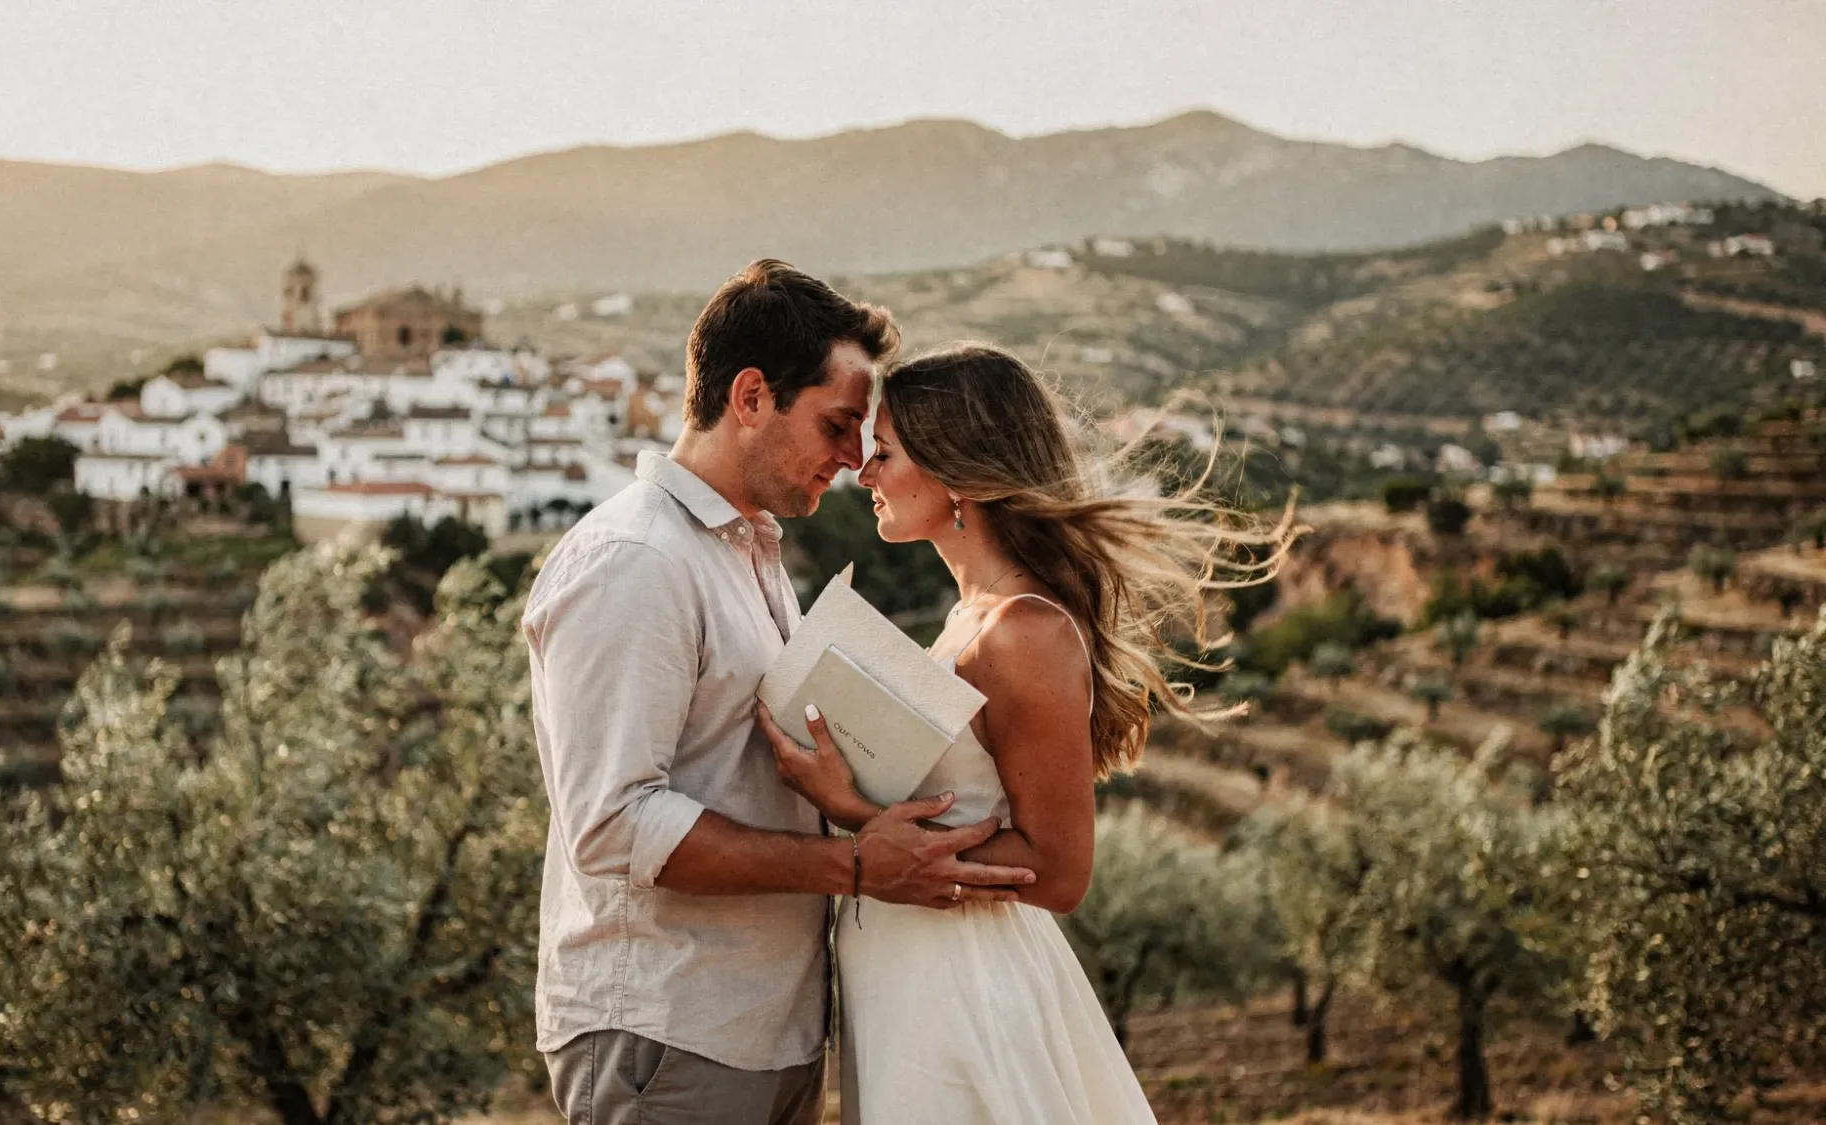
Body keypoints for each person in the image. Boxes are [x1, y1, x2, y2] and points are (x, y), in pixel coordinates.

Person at [523, 263, 1038, 1125]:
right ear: (752, 396)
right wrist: (858, 867)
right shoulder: (635, 562)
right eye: (838, 425)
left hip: (771, 1031)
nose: (853, 459)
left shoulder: (747, 551)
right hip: (671, 1034)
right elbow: (614, 824)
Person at [757, 343, 1296, 1124]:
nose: (863, 474)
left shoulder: (1023, 631)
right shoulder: (972, 615)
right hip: (911, 974)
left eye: (886, 454)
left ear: (961, 476)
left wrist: (856, 812)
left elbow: (1060, 870)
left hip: (962, 987)